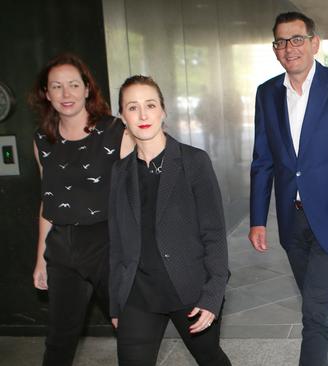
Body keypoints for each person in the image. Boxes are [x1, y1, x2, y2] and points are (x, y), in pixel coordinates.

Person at [249, 11, 328, 366]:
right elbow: (262, 161)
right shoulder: (267, 94)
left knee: (313, 312)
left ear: (314, 43)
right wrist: (258, 219)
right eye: (281, 42)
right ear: (275, 49)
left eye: (297, 39)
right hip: (293, 220)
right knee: (315, 303)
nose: (289, 48)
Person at [108, 75, 231, 366]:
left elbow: (214, 234)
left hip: (189, 289)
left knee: (210, 358)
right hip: (137, 295)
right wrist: (115, 301)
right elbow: (116, 242)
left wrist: (212, 296)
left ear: (163, 110)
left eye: (150, 105)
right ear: (122, 117)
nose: (143, 114)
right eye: (132, 107)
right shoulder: (120, 172)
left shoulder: (194, 162)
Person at [29, 53, 132, 366]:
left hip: (108, 245)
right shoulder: (42, 140)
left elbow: (134, 196)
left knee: (128, 331)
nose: (66, 93)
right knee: (59, 340)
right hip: (62, 249)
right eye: (57, 87)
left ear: (87, 88)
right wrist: (40, 260)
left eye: (73, 84)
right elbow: (49, 200)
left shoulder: (116, 131)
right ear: (46, 94)